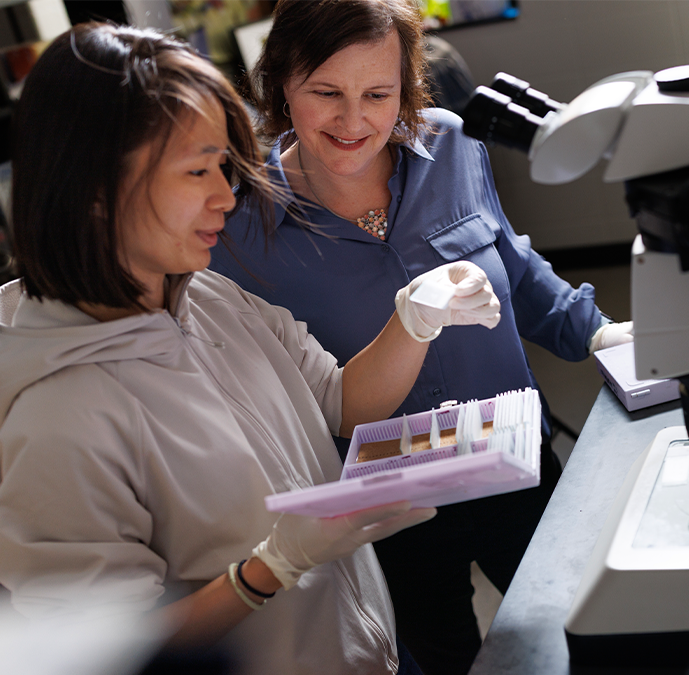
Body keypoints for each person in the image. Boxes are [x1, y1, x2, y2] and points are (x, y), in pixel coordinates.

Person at [0, 23, 503, 675]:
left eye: (224, 166)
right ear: (93, 187)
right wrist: (269, 568)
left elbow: (341, 403)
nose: (227, 197)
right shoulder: (60, 417)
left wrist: (415, 320)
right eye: (198, 170)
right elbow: (106, 649)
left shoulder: (211, 298)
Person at [209, 1, 634, 673]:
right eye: (327, 93)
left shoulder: (453, 145)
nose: (355, 122)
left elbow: (515, 268)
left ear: (405, 87)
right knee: (440, 658)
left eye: (378, 94)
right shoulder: (238, 228)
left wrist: (604, 334)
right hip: (386, 509)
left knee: (584, 631)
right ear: (281, 85)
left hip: (514, 460)